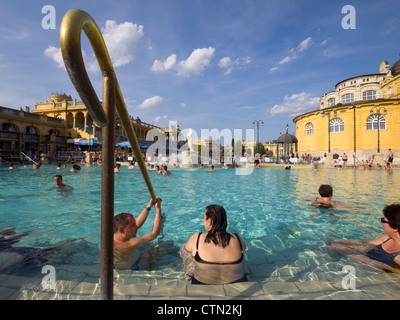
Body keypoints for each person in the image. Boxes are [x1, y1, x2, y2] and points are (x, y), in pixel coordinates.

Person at [181, 204, 247, 285]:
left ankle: (188, 275)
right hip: (238, 282)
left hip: (202, 283)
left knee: (184, 248)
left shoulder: (197, 238)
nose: (203, 221)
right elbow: (244, 251)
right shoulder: (237, 238)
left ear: (210, 221)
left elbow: (185, 251)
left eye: (204, 218)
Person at [326, 203, 400, 273]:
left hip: (373, 274)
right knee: (333, 245)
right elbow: (366, 243)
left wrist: (362, 259)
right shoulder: (388, 238)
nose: (382, 223)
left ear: (395, 228)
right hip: (363, 262)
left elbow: (396, 273)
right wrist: (337, 241)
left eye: (383, 220)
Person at [113, 197, 163, 270]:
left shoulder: (111, 236)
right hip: (134, 267)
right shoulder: (130, 244)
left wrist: (148, 207)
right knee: (165, 246)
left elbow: (137, 223)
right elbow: (155, 233)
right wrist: (158, 209)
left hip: (117, 265)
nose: (136, 227)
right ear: (121, 229)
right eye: (133, 226)